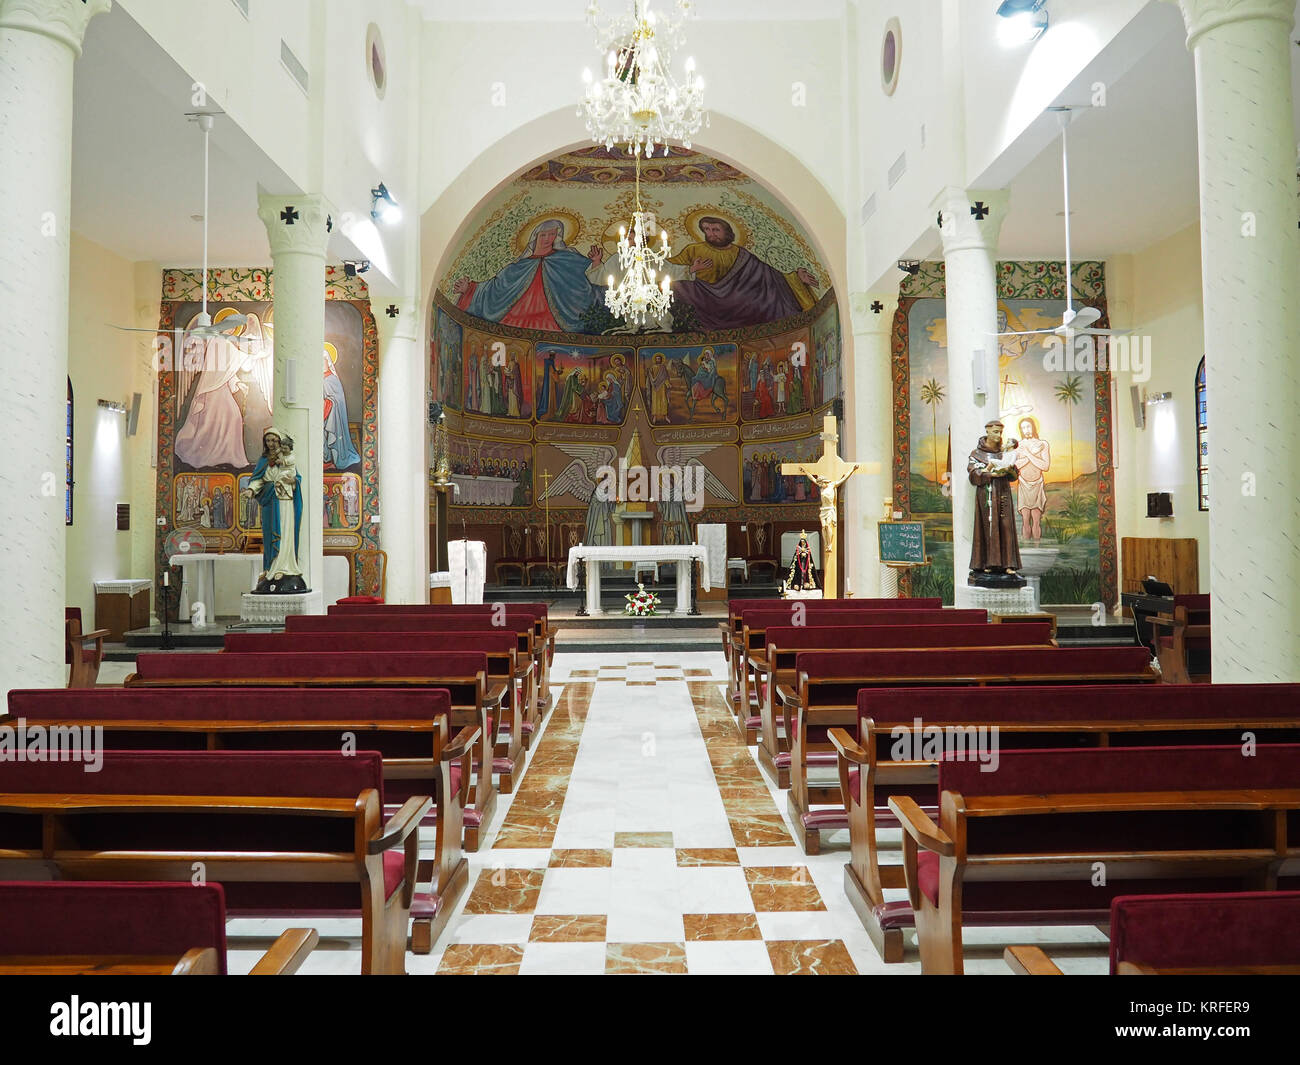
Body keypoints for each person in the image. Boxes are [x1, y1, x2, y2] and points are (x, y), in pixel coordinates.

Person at [666, 216, 819, 330]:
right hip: (704, 300)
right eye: (707, 229)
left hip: (738, 302)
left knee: (763, 295)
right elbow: (668, 270)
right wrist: (691, 269)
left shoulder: (741, 254)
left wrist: (796, 278)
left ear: (727, 232)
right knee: (677, 287)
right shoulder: (693, 250)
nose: (711, 233)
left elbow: (769, 276)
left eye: (715, 229)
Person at [451, 218, 605, 332]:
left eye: (552, 234)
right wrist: (470, 289)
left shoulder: (567, 258)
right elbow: (496, 287)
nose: (548, 239)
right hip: (519, 321)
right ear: (535, 237)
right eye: (543, 235)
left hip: (558, 321)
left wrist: (596, 262)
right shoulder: (518, 267)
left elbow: (586, 285)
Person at [242, 428, 306, 591]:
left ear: (279, 441)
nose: (271, 444)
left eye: (274, 440)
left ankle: (287, 568)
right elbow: (258, 479)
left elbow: (296, 478)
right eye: (268, 440)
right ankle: (272, 568)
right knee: (271, 533)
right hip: (271, 502)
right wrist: (251, 489)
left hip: (285, 502)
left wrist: (293, 480)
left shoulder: (286, 458)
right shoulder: (264, 460)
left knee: (286, 533)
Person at [967, 419, 1022, 577]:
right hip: (987, 494)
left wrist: (1009, 472)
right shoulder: (976, 454)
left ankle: (1008, 564)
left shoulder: (1005, 453)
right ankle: (985, 564)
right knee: (986, 527)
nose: (999, 435)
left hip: (1003, 492)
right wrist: (989, 474)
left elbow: (1014, 475)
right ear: (987, 431)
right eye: (995, 432)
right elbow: (972, 474)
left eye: (1000, 432)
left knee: (1006, 527)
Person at [323, 344, 361, 471]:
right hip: (321, 416)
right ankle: (324, 459)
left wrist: (327, 405)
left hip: (332, 417)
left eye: (323, 361)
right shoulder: (316, 379)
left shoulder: (332, 379)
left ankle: (331, 459)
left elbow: (337, 401)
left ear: (328, 362)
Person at [1014, 415, 1051, 542]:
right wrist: (1033, 454)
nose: (1026, 430)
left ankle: (1037, 547)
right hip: (1024, 485)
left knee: (1036, 520)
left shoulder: (1043, 444)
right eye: (1023, 427)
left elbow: (1045, 466)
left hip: (1037, 484)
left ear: (1033, 427)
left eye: (1028, 426)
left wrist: (1029, 454)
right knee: (1025, 520)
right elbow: (1016, 466)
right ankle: (1025, 548)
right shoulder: (1018, 446)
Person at [647, 354, 670, 423]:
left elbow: (666, 377)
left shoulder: (663, 367)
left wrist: (668, 384)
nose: (658, 360)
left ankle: (665, 416)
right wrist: (648, 373)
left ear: (661, 360)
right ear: (655, 360)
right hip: (655, 387)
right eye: (657, 359)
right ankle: (655, 417)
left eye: (659, 359)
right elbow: (650, 377)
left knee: (664, 400)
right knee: (655, 401)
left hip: (662, 386)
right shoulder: (652, 367)